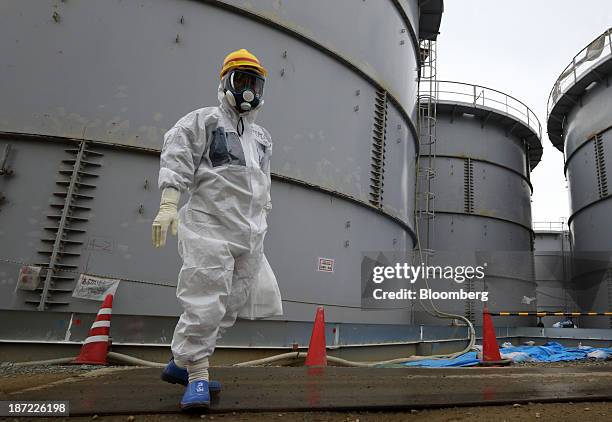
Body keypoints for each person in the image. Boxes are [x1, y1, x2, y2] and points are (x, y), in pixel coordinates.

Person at [151, 49, 280, 411]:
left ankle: (181, 363)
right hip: (210, 226)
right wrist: (168, 205)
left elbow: (262, 182)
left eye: (253, 82)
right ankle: (197, 377)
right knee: (204, 301)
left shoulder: (262, 138)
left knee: (231, 304)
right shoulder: (202, 122)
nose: (248, 90)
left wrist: (263, 217)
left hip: (250, 232)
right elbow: (177, 158)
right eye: (241, 80)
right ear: (225, 82)